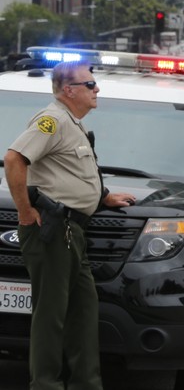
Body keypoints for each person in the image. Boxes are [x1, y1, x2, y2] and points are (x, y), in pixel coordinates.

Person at [4, 61, 136, 389]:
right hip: (52, 230)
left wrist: (102, 196)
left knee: (83, 313)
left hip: (73, 231)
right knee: (51, 316)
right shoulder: (52, 120)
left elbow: (69, 172)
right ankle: (46, 384)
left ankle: (85, 384)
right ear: (69, 90)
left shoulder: (72, 123)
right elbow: (14, 159)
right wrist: (24, 210)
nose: (97, 89)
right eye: (90, 84)